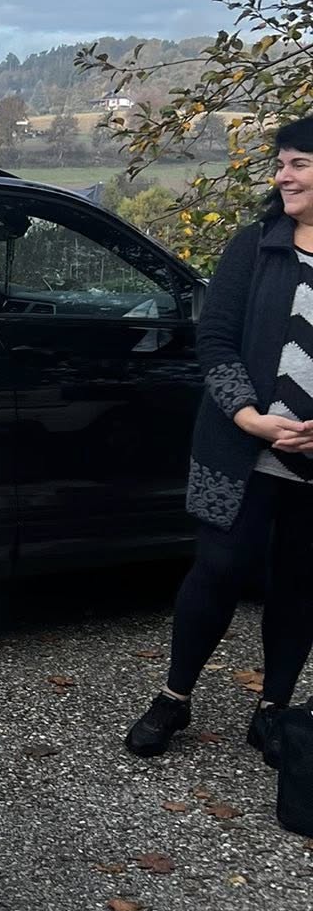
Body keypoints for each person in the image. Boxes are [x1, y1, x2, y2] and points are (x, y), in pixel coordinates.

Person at [125, 121, 313, 763]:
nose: (283, 176)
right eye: (281, 164)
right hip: (240, 451)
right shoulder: (255, 246)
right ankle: (173, 697)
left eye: (300, 163)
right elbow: (216, 340)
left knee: (301, 582)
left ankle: (274, 709)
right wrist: (249, 417)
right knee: (219, 569)